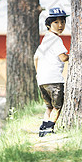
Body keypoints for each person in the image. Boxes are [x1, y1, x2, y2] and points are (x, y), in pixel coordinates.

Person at [34, 7, 69, 137]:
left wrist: (38, 73)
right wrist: (74, 56)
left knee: (49, 106)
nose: (60, 25)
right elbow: (63, 57)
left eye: (63, 22)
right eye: (56, 22)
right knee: (57, 106)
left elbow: (35, 57)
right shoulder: (56, 39)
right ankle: (49, 128)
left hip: (42, 80)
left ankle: (43, 126)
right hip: (54, 80)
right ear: (48, 24)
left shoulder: (45, 40)